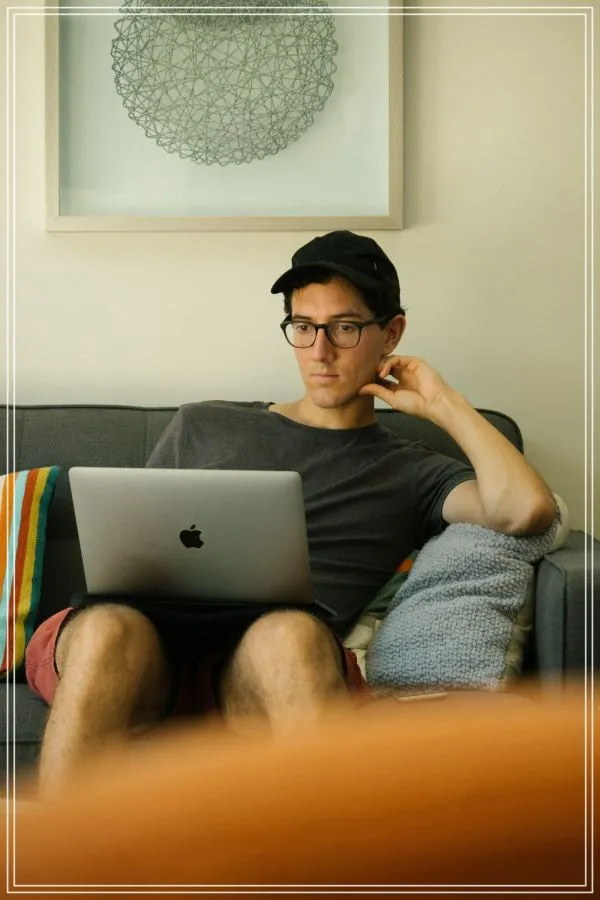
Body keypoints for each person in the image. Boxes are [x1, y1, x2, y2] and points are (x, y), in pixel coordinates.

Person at [25, 231, 557, 798]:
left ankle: (334, 849)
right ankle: (51, 847)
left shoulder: (413, 470)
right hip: (141, 644)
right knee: (106, 626)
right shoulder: (205, 423)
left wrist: (442, 403)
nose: (320, 351)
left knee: (289, 634)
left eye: (344, 327)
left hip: (264, 670)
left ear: (392, 333)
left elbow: (527, 510)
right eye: (303, 326)